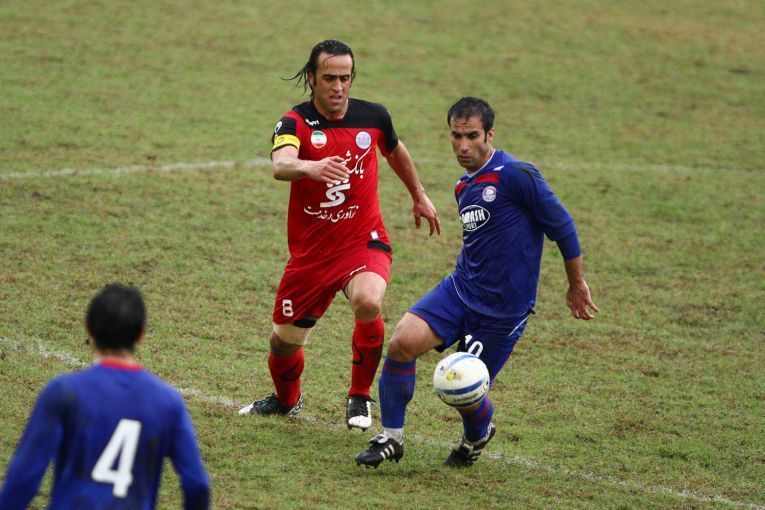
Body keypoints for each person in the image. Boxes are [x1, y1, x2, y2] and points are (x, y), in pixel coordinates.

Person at [355, 97, 599, 468]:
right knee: (402, 342)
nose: (463, 145)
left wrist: (576, 283)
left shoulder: (516, 175)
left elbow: (562, 225)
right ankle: (391, 437)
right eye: (456, 136)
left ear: (489, 134)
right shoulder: (463, 185)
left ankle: (477, 434)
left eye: (472, 136)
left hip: (502, 311)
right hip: (460, 289)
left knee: (462, 387)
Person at [238, 39, 441, 430]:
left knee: (368, 301)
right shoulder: (294, 123)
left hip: (362, 241)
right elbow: (280, 165)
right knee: (282, 343)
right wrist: (309, 168)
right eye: (329, 78)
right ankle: (286, 401)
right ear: (312, 77)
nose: (338, 87)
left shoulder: (373, 117)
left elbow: (395, 149)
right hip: (311, 255)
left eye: (345, 78)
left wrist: (419, 194)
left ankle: (359, 397)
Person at [0, 284, 210, 509]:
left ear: (89, 330)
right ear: (140, 334)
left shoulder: (63, 392)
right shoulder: (168, 402)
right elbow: (197, 484)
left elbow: (25, 477)